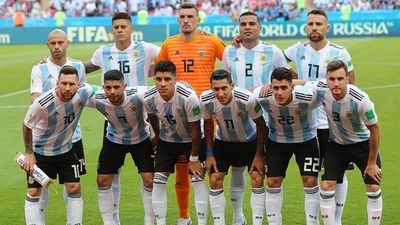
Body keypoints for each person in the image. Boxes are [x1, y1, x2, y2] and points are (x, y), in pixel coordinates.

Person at [85, 12, 160, 224]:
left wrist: (152, 71)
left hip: (141, 116)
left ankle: (149, 220)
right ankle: (113, 220)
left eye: (123, 27)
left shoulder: (145, 48)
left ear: (131, 29)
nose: (119, 30)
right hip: (113, 117)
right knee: (111, 174)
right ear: (112, 30)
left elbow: (171, 56)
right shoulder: (103, 52)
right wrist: (61, 63)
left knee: (148, 178)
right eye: (116, 27)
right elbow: (86, 67)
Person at [283, 9, 355, 223]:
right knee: (310, 176)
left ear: (327, 28)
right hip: (306, 123)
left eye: (318, 24)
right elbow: (276, 61)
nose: (314, 28)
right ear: (306, 27)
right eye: (310, 24)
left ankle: (336, 219)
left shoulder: (340, 52)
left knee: (338, 173)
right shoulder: (297, 49)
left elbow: (350, 84)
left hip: (332, 123)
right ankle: (312, 221)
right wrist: (295, 79)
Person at [155, 3, 225, 223]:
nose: (186, 20)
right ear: (178, 20)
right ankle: (184, 217)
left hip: (208, 117)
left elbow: (232, 59)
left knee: (213, 172)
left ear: (198, 20)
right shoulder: (168, 44)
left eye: (190, 17)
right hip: (178, 118)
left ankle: (221, 217)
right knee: (183, 169)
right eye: (182, 16)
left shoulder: (212, 41)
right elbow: (160, 74)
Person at [225, 12, 293, 224]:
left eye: (252, 24)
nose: (247, 27)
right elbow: (224, 83)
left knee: (264, 173)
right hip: (237, 120)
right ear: (238, 28)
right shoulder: (230, 51)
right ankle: (238, 218)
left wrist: (270, 87)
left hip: (266, 121)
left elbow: (289, 79)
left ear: (260, 27)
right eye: (243, 24)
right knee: (237, 168)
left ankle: (269, 219)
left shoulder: (273, 52)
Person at [308, 60, 382, 225]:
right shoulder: (322, 89)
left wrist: (371, 163)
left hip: (363, 145)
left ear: (347, 79)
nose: (335, 83)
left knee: (373, 187)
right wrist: (285, 85)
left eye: (340, 79)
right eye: (332, 79)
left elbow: (375, 130)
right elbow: (303, 83)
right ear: (326, 79)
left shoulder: (360, 99)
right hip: (337, 145)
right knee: (326, 186)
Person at [22, 65, 96, 225]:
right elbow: (27, 125)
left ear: (79, 84)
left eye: (71, 84)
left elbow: (97, 90)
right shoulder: (43, 103)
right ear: (57, 83)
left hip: (65, 150)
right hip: (41, 153)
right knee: (34, 191)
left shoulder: (85, 91)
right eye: (64, 83)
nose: (67, 88)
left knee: (74, 187)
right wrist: (29, 153)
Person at [29, 29, 87, 225]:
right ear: (48, 45)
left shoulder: (78, 66)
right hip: (45, 138)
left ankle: (73, 221)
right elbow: (35, 100)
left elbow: (84, 93)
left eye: (60, 42)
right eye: (53, 43)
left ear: (67, 43)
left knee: (72, 184)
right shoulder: (40, 69)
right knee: (40, 185)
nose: (56, 47)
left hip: (73, 137)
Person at [141, 61, 208, 225]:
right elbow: (151, 117)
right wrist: (157, 135)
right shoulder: (148, 97)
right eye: (158, 79)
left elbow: (196, 130)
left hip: (192, 140)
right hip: (168, 140)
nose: (163, 84)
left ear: (175, 79)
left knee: (197, 179)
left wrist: (193, 160)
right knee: (158, 181)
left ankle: (201, 222)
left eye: (167, 79)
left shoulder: (188, 97)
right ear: (154, 79)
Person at [87, 69, 157, 225]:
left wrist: (158, 135)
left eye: (116, 87)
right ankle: (109, 222)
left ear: (124, 86)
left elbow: (159, 92)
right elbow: (79, 89)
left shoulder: (138, 95)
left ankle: (149, 222)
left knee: (149, 181)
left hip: (141, 139)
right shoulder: (98, 98)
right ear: (103, 87)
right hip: (114, 140)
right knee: (103, 180)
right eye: (108, 87)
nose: (112, 92)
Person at [254, 67, 321, 225]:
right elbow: (246, 94)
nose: (279, 93)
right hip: (277, 142)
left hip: (306, 141)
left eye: (284, 87)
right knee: (272, 182)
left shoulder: (307, 97)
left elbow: (318, 86)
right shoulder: (262, 96)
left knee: (310, 181)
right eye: (275, 88)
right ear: (270, 87)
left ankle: (312, 222)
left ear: (292, 87)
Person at [200, 69, 266, 225]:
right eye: (216, 89)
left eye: (224, 88)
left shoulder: (246, 99)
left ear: (232, 85)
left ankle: (252, 222)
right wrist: (209, 154)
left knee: (257, 178)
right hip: (224, 143)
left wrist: (259, 155)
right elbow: (208, 126)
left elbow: (262, 126)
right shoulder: (206, 100)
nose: (220, 93)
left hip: (249, 142)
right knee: (215, 179)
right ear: (211, 88)